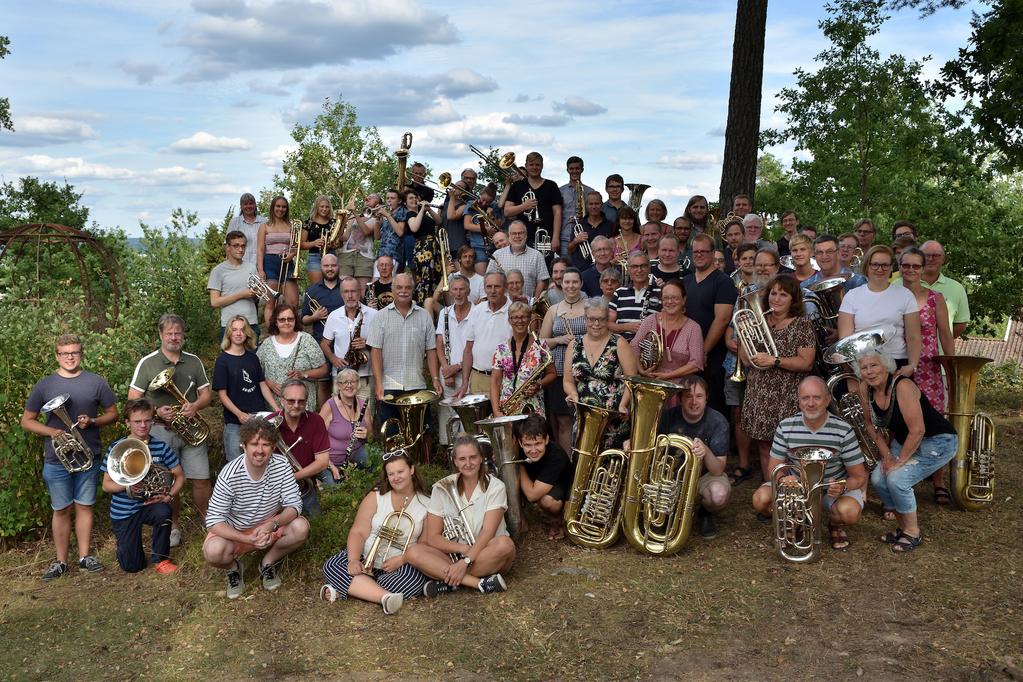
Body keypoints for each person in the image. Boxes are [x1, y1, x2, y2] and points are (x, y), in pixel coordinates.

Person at [22, 333, 118, 580]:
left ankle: (85, 557)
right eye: (65, 353)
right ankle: (61, 561)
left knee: (85, 506)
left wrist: (93, 421)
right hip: (57, 458)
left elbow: (113, 414)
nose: (70, 357)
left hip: (88, 455)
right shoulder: (44, 385)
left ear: (81, 354)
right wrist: (52, 431)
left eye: (74, 352)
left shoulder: (96, 382)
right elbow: (27, 421)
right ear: (57, 355)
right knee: (61, 509)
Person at [751, 376, 867, 551]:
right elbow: (772, 469)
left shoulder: (843, 430)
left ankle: (834, 523)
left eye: (817, 397)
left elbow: (859, 476)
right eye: (805, 398)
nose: (810, 403)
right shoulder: (786, 426)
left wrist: (842, 486)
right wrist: (782, 480)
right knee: (760, 500)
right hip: (797, 490)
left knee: (849, 512)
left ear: (827, 400)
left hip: (831, 491)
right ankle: (798, 518)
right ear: (798, 401)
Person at [857, 351, 957, 552]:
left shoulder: (902, 386)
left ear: (886, 366)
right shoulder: (864, 388)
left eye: (874, 365)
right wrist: (886, 456)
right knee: (878, 478)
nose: (869, 372)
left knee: (896, 479)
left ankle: (912, 532)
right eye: (864, 367)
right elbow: (870, 425)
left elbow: (918, 429)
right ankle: (903, 528)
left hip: (938, 440)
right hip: (906, 441)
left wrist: (899, 461)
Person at [127, 314, 212, 545]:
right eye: (169, 333)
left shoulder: (193, 361)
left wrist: (195, 406)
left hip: (192, 432)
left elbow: (207, 394)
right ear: (161, 335)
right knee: (167, 482)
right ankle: (173, 526)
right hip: (161, 431)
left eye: (178, 333)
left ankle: (208, 523)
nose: (174, 337)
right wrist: (155, 412)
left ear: (183, 335)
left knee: (201, 479)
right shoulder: (147, 363)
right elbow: (133, 399)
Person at [203, 417, 309, 598]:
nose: (260, 451)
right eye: (254, 444)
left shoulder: (282, 465)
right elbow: (213, 521)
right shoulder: (229, 474)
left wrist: (272, 524)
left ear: (274, 446)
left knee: (301, 528)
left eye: (266, 444)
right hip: (237, 530)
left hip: (270, 524)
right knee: (213, 551)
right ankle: (234, 569)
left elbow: (294, 505)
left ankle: (267, 563)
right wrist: (248, 539)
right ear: (243, 446)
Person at [320, 450, 431, 613]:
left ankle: (351, 588)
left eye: (400, 471)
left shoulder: (427, 503)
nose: (396, 477)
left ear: (412, 470)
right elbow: (358, 532)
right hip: (367, 557)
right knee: (331, 566)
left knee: (413, 580)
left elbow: (424, 545)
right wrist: (353, 560)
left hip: (401, 563)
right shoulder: (376, 496)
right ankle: (384, 597)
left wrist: (402, 559)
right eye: (391, 474)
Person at [405, 436, 516, 596]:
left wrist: (466, 561)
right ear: (455, 461)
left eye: (473, 457)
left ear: (481, 459)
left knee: (505, 545)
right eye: (462, 459)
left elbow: (488, 531)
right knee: (413, 552)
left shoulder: (496, 487)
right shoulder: (441, 488)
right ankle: (478, 583)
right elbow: (433, 538)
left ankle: (448, 580)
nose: (468, 463)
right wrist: (463, 550)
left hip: (486, 552)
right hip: (456, 555)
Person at [738, 275, 817, 481]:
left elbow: (806, 362)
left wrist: (775, 360)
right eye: (773, 293)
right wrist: (744, 331)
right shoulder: (758, 321)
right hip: (760, 393)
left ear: (793, 299)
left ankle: (792, 494)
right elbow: (746, 360)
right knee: (765, 447)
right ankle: (772, 493)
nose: (777, 298)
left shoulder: (802, 326)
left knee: (790, 448)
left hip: (788, 394)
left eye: (784, 294)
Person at [895, 247, 955, 504]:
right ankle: (898, 471)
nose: (910, 270)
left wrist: (951, 370)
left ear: (922, 269)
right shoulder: (891, 295)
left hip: (928, 368)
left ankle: (937, 479)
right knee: (896, 420)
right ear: (899, 267)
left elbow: (945, 334)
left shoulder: (935, 298)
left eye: (915, 266)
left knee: (933, 421)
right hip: (898, 364)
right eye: (905, 265)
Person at [101, 399, 185, 574]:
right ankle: (126, 548)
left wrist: (168, 496)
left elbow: (180, 476)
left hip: (150, 505)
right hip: (124, 510)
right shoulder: (116, 448)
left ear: (152, 421)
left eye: (147, 420)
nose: (143, 425)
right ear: (127, 422)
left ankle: (161, 559)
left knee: (164, 511)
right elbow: (106, 485)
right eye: (137, 421)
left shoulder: (161, 447)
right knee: (132, 566)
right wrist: (128, 484)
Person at [656, 377, 731, 538]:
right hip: (671, 477)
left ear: (707, 398)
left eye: (699, 396)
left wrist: (706, 451)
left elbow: (718, 470)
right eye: (688, 396)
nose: (694, 402)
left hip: (703, 477)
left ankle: (704, 513)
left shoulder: (718, 421)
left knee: (717, 494)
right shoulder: (667, 417)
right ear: (679, 398)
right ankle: (667, 510)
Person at [367, 272, 443, 426]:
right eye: (399, 287)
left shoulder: (424, 316)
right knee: (391, 433)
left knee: (422, 433)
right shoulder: (380, 317)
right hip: (389, 387)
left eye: (408, 287)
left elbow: (431, 350)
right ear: (392, 289)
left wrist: (435, 378)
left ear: (413, 289)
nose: (403, 291)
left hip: (417, 385)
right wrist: (379, 384)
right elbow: (375, 352)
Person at [837, 245, 921, 376]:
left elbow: (913, 336)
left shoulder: (905, 295)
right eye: (875, 264)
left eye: (885, 265)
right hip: (863, 365)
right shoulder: (852, 296)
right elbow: (845, 339)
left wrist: (912, 365)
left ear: (891, 267)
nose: (880, 269)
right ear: (867, 266)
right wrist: (852, 370)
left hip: (897, 363)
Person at [564, 297, 636, 448]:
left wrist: (623, 404)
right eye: (591, 319)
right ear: (585, 318)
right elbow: (568, 381)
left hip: (613, 419)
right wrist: (573, 395)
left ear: (607, 319)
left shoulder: (619, 343)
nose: (596, 324)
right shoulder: (574, 345)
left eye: (601, 319)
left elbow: (632, 380)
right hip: (584, 417)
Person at [683, 233, 739, 416]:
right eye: (695, 251)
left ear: (713, 253)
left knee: (713, 405)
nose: (699, 255)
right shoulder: (686, 281)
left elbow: (722, 319)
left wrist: (703, 351)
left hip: (712, 356)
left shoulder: (723, 282)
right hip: (687, 355)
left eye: (704, 251)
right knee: (688, 403)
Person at [213, 316, 276, 461]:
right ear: (228, 332)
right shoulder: (222, 361)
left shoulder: (253, 358)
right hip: (235, 422)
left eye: (242, 329)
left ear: (247, 332)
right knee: (235, 463)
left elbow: (262, 384)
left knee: (261, 459)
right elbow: (222, 395)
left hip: (258, 418)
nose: (238, 333)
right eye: (234, 329)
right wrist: (239, 414)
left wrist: (275, 408)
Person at [539, 268, 587, 452]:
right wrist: (559, 340)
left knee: (584, 420)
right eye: (567, 282)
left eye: (575, 282)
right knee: (564, 421)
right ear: (562, 284)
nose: (571, 286)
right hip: (559, 372)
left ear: (581, 284)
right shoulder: (554, 310)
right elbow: (541, 343)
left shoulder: (590, 306)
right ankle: (568, 466)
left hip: (585, 369)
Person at [631, 279, 705, 393]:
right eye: (666, 298)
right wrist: (641, 370)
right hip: (648, 384)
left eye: (675, 298)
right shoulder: (650, 320)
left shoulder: (693, 328)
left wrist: (668, 376)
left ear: (684, 300)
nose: (670, 302)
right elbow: (634, 347)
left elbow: (696, 363)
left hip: (678, 389)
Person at [256, 303, 328, 412]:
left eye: (290, 319)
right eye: (282, 319)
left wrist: (303, 374)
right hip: (275, 407)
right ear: (275, 321)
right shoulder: (267, 345)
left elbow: (323, 370)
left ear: (295, 320)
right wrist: (269, 383)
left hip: (302, 405)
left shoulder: (307, 340)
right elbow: (256, 373)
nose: (286, 322)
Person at [273, 380, 330, 516]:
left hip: (305, 487)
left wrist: (293, 477)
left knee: (317, 526)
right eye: (291, 401)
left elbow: (322, 462)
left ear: (306, 401)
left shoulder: (316, 421)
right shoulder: (270, 422)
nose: (296, 405)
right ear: (282, 401)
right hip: (274, 489)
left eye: (301, 401)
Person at [514, 414, 574, 539]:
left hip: (559, 489)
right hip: (534, 482)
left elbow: (532, 495)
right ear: (520, 442)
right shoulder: (517, 449)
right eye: (528, 445)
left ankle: (557, 517)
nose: (533, 450)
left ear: (546, 439)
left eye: (538, 443)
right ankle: (520, 519)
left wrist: (516, 463)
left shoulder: (557, 456)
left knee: (547, 501)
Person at [492, 301, 557, 417]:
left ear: (529, 319)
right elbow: (495, 382)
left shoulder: (541, 346)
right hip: (507, 408)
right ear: (509, 320)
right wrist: (496, 411)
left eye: (523, 317)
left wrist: (539, 384)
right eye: (515, 317)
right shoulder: (501, 349)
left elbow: (552, 373)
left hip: (533, 406)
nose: (519, 321)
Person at [321, 276, 377, 402]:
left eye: (353, 291)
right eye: (346, 292)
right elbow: (324, 344)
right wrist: (333, 359)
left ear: (360, 292)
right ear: (341, 294)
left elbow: (383, 345)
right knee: (340, 416)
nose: (350, 295)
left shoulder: (374, 315)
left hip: (365, 375)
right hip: (341, 376)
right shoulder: (333, 316)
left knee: (365, 418)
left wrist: (367, 343)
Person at [458, 272, 512, 397]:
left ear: (505, 288)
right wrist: (465, 381)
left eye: (497, 286)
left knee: (501, 416)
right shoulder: (477, 310)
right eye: (489, 287)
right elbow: (468, 349)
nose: (492, 291)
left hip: (505, 378)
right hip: (478, 378)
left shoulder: (513, 311)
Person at [435, 274, 473, 447]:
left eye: (462, 289)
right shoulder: (445, 312)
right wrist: (445, 369)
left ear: (469, 291)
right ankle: (450, 451)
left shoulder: (476, 312)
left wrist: (456, 368)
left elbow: (474, 347)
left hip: (468, 373)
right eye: (455, 289)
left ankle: (466, 450)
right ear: (450, 291)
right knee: (449, 415)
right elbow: (439, 344)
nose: (458, 294)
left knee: (466, 415)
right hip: (448, 372)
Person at [302, 252, 344, 406]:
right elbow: (303, 320)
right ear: (321, 268)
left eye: (333, 265)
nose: (330, 268)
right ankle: (324, 419)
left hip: (344, 344)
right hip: (321, 343)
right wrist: (315, 316)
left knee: (345, 383)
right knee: (324, 384)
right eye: (326, 266)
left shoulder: (346, 288)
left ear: (338, 267)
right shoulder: (312, 291)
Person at [503, 151, 563, 251]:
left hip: (546, 237)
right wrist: (524, 206)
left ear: (542, 166)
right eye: (531, 164)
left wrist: (556, 237)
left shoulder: (551, 185)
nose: (534, 167)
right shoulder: (517, 186)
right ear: (526, 166)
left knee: (547, 265)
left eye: (537, 165)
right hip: (522, 238)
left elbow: (557, 212)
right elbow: (507, 211)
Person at [255, 195, 300, 325]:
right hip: (270, 263)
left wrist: (292, 255)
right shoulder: (264, 226)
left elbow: (295, 247)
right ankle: (271, 334)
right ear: (273, 208)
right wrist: (261, 270)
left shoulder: (291, 226)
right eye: (278, 206)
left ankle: (290, 330)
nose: (281, 209)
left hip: (287, 263)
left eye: (284, 207)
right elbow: (260, 249)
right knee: (270, 302)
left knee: (293, 302)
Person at [319, 369, 371, 478]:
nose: (349, 385)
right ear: (338, 385)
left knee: (378, 459)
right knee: (335, 487)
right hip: (331, 460)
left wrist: (367, 435)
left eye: (353, 382)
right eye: (345, 382)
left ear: (358, 384)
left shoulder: (364, 406)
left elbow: (371, 437)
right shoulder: (329, 406)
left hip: (356, 453)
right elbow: (316, 441)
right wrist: (330, 465)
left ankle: (355, 471)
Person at [208, 230, 259, 339]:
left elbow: (256, 297)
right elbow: (214, 302)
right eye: (236, 246)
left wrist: (257, 293)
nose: (240, 249)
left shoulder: (251, 268)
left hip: (251, 323)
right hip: (230, 325)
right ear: (228, 247)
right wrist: (241, 294)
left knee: (253, 356)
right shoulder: (218, 271)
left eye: (243, 246)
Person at [918, 240, 970, 339]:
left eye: (936, 255)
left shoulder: (957, 288)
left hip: (941, 353)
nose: (930, 258)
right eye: (926, 255)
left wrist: (942, 341)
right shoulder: (900, 285)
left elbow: (961, 324)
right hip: (904, 353)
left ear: (943, 259)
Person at [487, 220, 549, 299]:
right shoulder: (497, 254)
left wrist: (534, 302)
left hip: (527, 305)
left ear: (526, 235)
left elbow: (541, 281)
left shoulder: (537, 255)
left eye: (520, 233)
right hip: (503, 305)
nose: (517, 236)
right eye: (514, 233)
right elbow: (489, 278)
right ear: (509, 236)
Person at [608, 251, 662, 341]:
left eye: (643, 266)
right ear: (628, 270)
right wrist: (626, 327)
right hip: (623, 348)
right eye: (634, 266)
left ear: (649, 268)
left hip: (648, 349)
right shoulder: (619, 292)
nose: (639, 270)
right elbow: (608, 324)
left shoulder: (661, 292)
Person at [405, 191, 443, 306]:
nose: (414, 200)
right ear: (405, 202)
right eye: (410, 198)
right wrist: (421, 210)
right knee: (424, 278)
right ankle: (423, 304)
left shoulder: (423, 213)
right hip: (423, 249)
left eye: (416, 197)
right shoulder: (410, 214)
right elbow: (414, 228)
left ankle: (434, 303)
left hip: (433, 246)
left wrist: (429, 209)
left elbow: (439, 221)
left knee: (435, 276)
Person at [558, 156, 597, 259]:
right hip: (565, 237)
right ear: (567, 170)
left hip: (586, 236)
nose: (574, 171)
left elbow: (596, 212)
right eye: (571, 169)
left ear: (582, 170)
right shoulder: (560, 191)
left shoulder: (590, 191)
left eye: (577, 168)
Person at [568, 191, 613, 271]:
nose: (594, 206)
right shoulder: (579, 226)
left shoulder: (610, 225)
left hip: (605, 270)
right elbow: (569, 250)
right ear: (586, 206)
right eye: (591, 204)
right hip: (581, 269)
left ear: (602, 205)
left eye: (597, 203)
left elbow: (614, 248)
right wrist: (576, 241)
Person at [340, 193, 379, 287]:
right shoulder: (352, 217)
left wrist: (354, 212)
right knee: (344, 288)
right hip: (347, 254)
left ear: (378, 204)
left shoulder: (376, 219)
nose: (368, 197)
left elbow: (366, 231)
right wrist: (341, 221)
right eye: (368, 197)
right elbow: (345, 237)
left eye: (373, 197)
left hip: (365, 257)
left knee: (362, 290)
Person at [463, 184, 502, 274]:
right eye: (483, 199)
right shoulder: (471, 204)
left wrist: (491, 216)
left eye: (488, 202)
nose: (484, 203)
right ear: (480, 194)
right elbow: (467, 225)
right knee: (481, 277)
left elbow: (498, 226)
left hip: (494, 247)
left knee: (496, 275)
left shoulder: (494, 206)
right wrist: (484, 228)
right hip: (478, 247)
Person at [227, 192, 267, 268]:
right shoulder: (234, 222)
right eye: (245, 204)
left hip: (262, 266)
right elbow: (227, 245)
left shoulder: (264, 222)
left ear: (255, 205)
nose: (248, 206)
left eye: (251, 203)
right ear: (241, 206)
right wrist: (232, 265)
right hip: (240, 265)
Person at [302, 195, 333, 285]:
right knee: (317, 286)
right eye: (322, 206)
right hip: (314, 257)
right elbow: (301, 244)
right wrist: (313, 243)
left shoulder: (333, 222)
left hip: (331, 255)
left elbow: (340, 243)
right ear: (317, 207)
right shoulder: (308, 223)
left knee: (332, 286)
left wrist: (333, 244)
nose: (324, 209)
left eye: (327, 207)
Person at [375, 189, 406, 267]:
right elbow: (377, 237)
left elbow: (400, 232)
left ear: (399, 201)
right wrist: (377, 220)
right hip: (382, 254)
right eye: (387, 198)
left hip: (394, 255)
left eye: (392, 198)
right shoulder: (389, 215)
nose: (389, 201)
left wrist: (387, 215)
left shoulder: (402, 211)